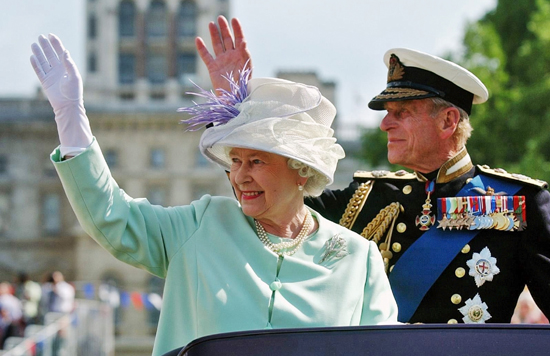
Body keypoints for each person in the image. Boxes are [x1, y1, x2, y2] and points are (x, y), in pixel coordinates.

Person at [198, 16, 550, 324]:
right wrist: (233, 113)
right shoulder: (369, 197)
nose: (385, 124)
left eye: (401, 113)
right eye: (387, 113)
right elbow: (267, 201)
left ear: (447, 122)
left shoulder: (517, 203)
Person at [30, 34, 398, 356]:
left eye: (256, 161)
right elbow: (113, 217)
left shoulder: (357, 258)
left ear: (302, 170)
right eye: (235, 160)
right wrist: (70, 116)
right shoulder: (200, 225)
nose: (239, 175)